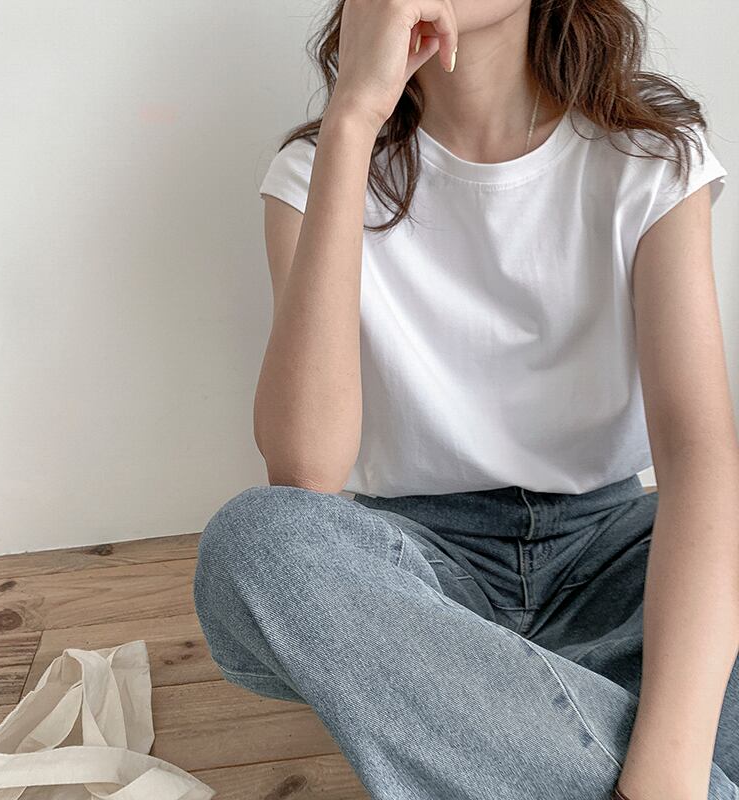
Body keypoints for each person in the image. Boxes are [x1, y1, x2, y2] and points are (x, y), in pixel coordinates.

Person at [193, 1, 739, 798]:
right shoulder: (315, 171)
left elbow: (698, 458)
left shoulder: (648, 157)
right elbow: (305, 471)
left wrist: (666, 777)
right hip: (421, 587)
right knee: (259, 543)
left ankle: (494, 734)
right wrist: (353, 119)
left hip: (621, 565)